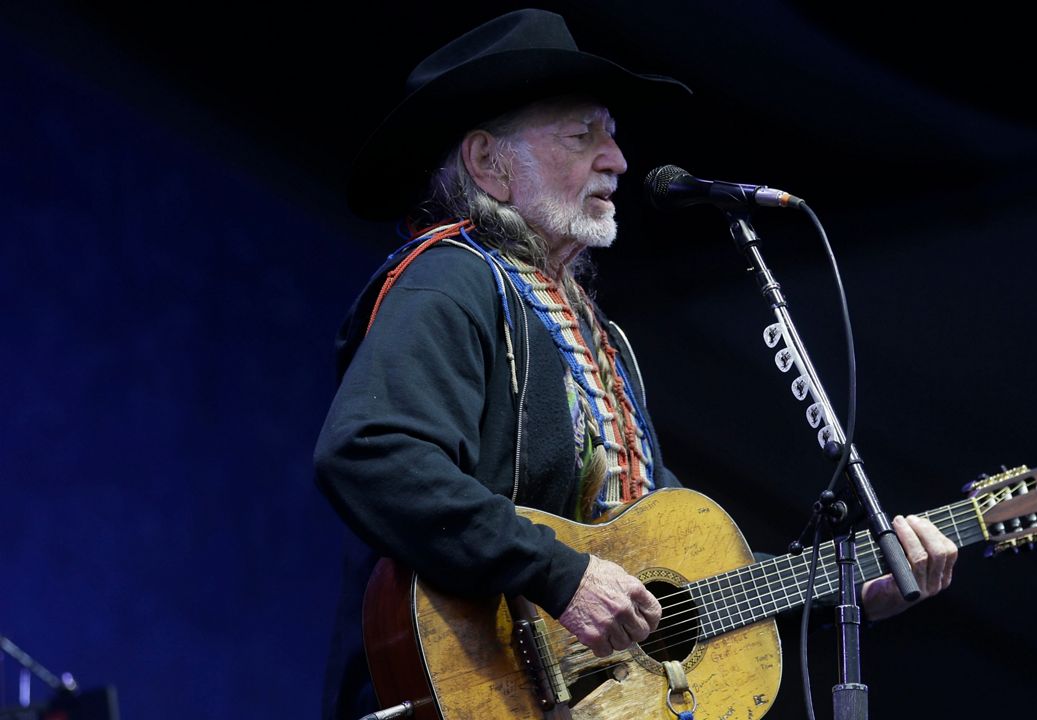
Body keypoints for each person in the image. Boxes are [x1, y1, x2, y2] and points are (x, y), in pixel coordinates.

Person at [314, 9, 958, 720]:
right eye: (582, 134)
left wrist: (851, 586)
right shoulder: (450, 280)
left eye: (613, 135)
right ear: (489, 164)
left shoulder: (601, 340)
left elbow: (681, 572)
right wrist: (559, 574)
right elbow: (370, 451)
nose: (617, 160)